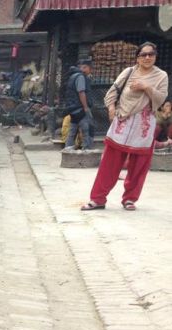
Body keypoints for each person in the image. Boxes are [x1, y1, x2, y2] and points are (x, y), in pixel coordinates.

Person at [81, 42, 169, 211]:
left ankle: (129, 199)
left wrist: (146, 87)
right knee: (109, 163)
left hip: (144, 125)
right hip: (123, 121)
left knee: (139, 165)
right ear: (138, 57)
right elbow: (112, 91)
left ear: (155, 56)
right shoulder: (128, 72)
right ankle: (98, 199)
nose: (147, 57)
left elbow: (160, 99)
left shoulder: (161, 76)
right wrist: (112, 108)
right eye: (143, 54)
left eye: (151, 54)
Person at [63, 59, 95, 151]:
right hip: (79, 108)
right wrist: (85, 107)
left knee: (72, 130)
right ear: (86, 68)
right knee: (87, 129)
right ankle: (87, 149)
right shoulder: (80, 77)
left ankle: (68, 149)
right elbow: (81, 92)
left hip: (72, 108)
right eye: (88, 68)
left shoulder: (72, 76)